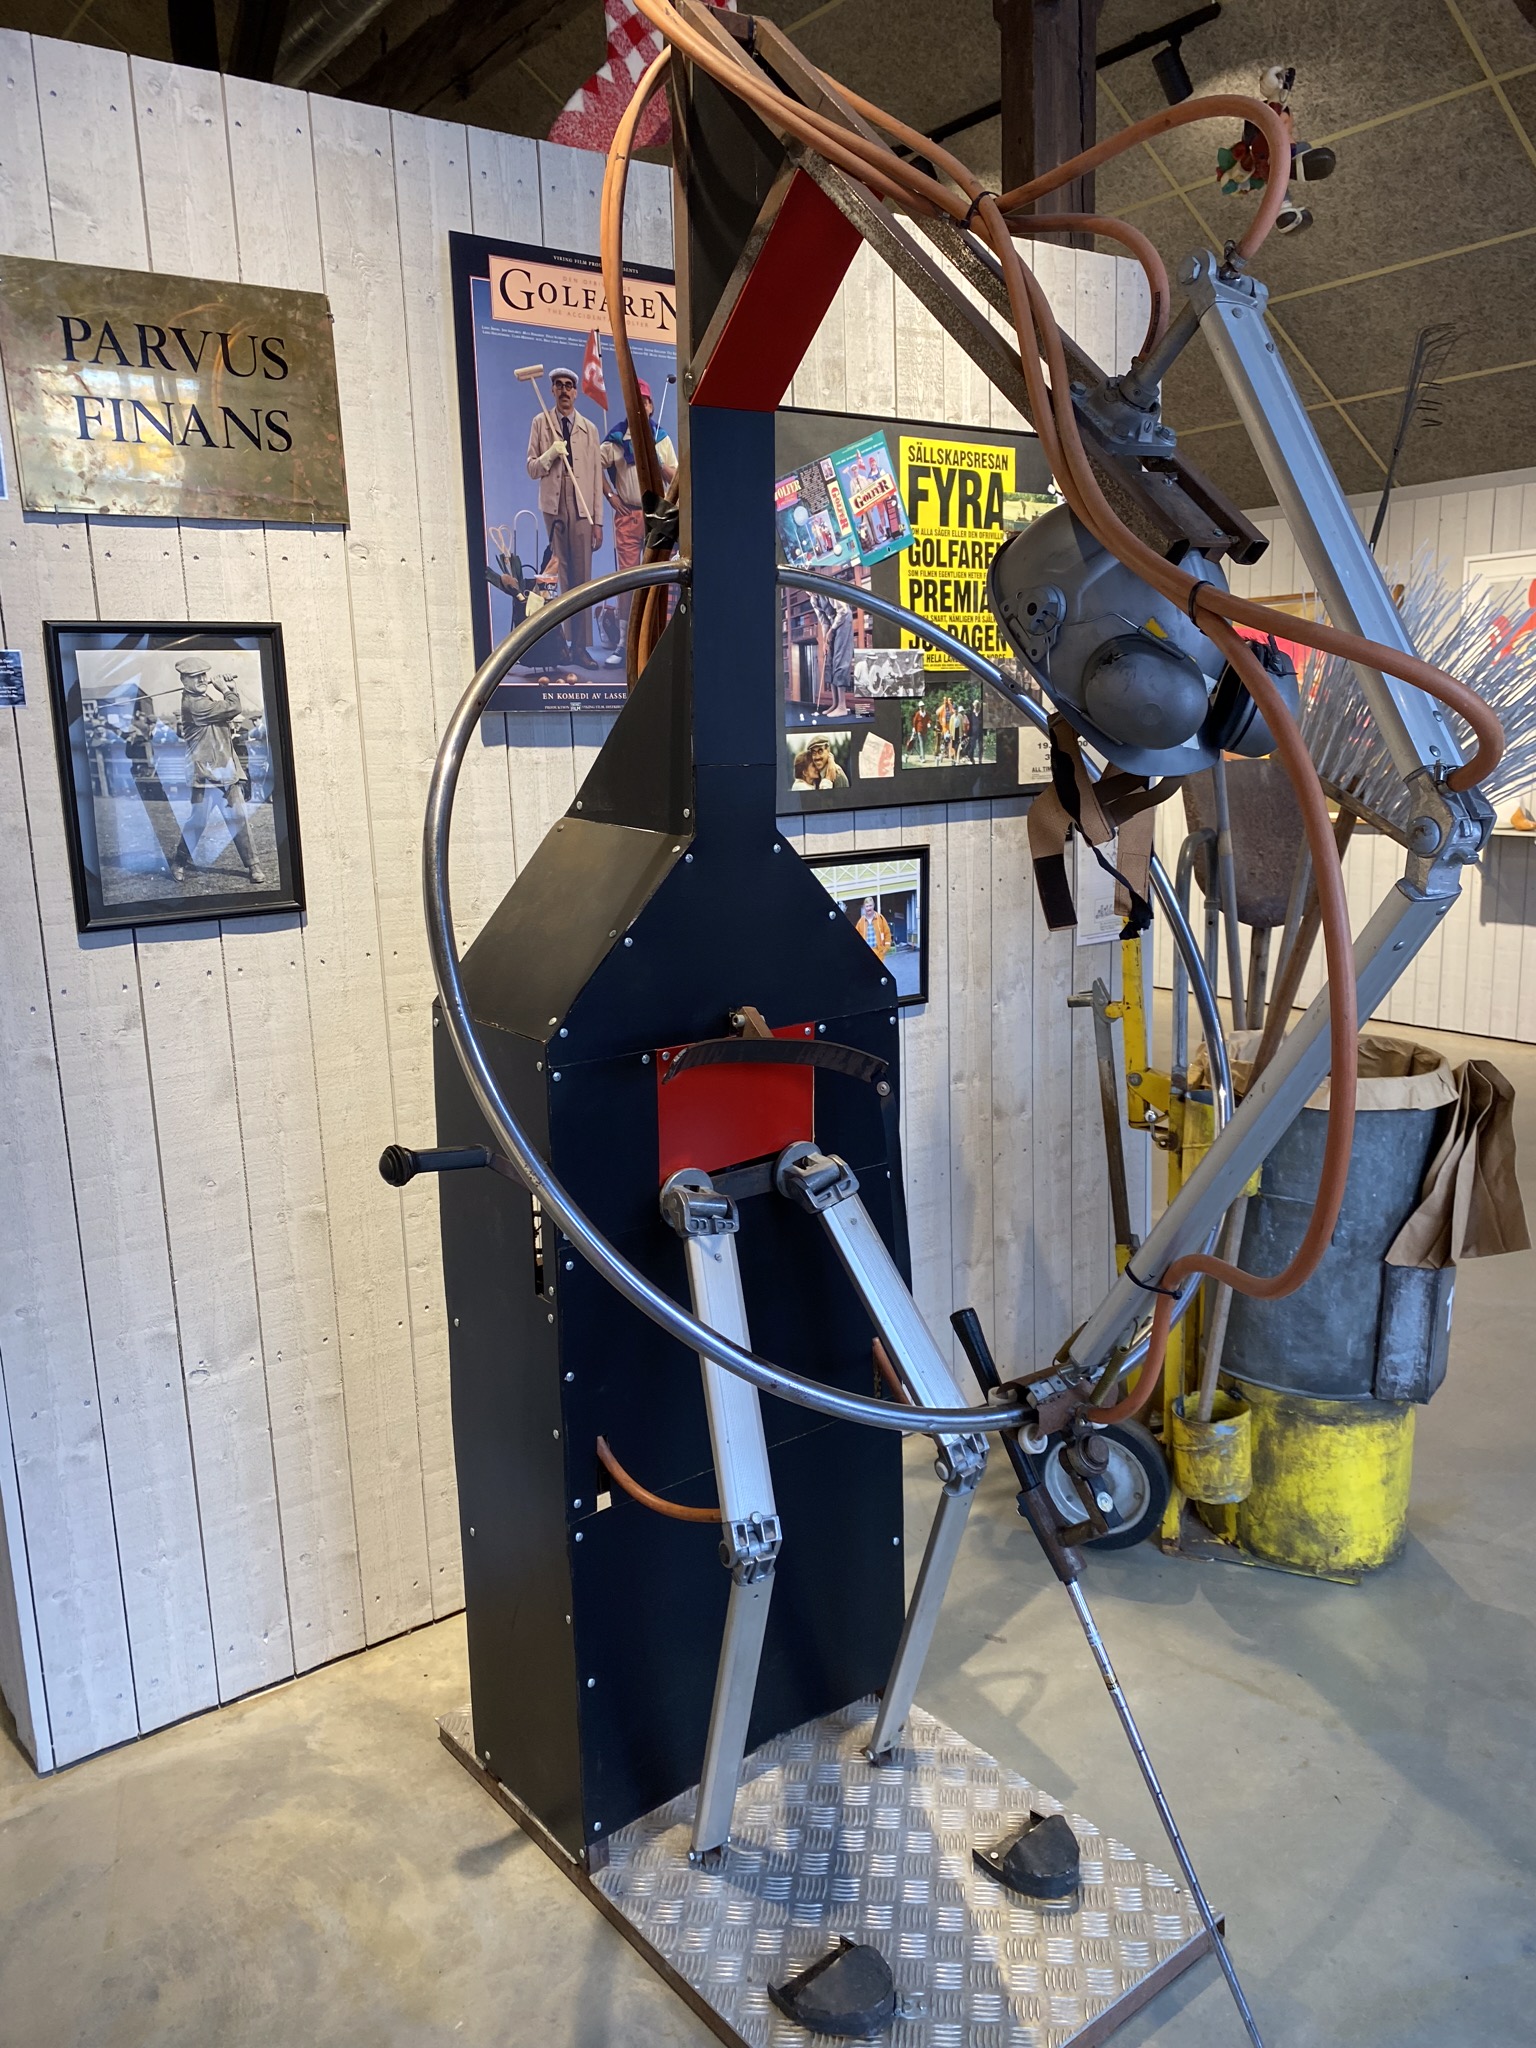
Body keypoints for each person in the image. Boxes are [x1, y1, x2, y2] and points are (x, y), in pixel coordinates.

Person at [525, 368, 603, 668]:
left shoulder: (589, 429)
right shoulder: (540, 422)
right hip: (553, 506)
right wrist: (550, 455)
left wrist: (597, 522)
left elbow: (596, 478)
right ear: (552, 391)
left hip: (582, 506)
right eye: (558, 385)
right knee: (557, 576)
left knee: (582, 577)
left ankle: (580, 647)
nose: (564, 390)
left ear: (576, 392)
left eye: (569, 386)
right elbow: (531, 468)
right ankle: (558, 646)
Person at [168, 656, 266, 886]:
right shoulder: (194, 705)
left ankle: (253, 865)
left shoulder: (204, 699)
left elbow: (228, 713)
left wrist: (230, 689)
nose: (202, 679)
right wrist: (226, 689)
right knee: (197, 822)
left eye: (204, 675)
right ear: (184, 681)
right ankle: (179, 861)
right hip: (204, 775)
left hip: (226, 772)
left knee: (239, 819)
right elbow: (233, 707)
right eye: (195, 677)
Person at [600, 379, 676, 640]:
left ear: (651, 406)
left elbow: (676, 479)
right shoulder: (617, 439)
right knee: (628, 579)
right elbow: (593, 464)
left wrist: (660, 463)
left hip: (659, 515)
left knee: (658, 577)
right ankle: (625, 640)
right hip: (629, 515)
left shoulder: (661, 438)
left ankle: (656, 637)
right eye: (635, 401)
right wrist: (610, 495)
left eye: (644, 401)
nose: (640, 406)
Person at [856, 895, 892, 959]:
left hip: (879, 954)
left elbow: (887, 933)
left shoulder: (880, 918)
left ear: (873, 906)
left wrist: (886, 948)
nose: (869, 908)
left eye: (870, 905)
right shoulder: (860, 922)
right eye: (867, 906)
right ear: (864, 907)